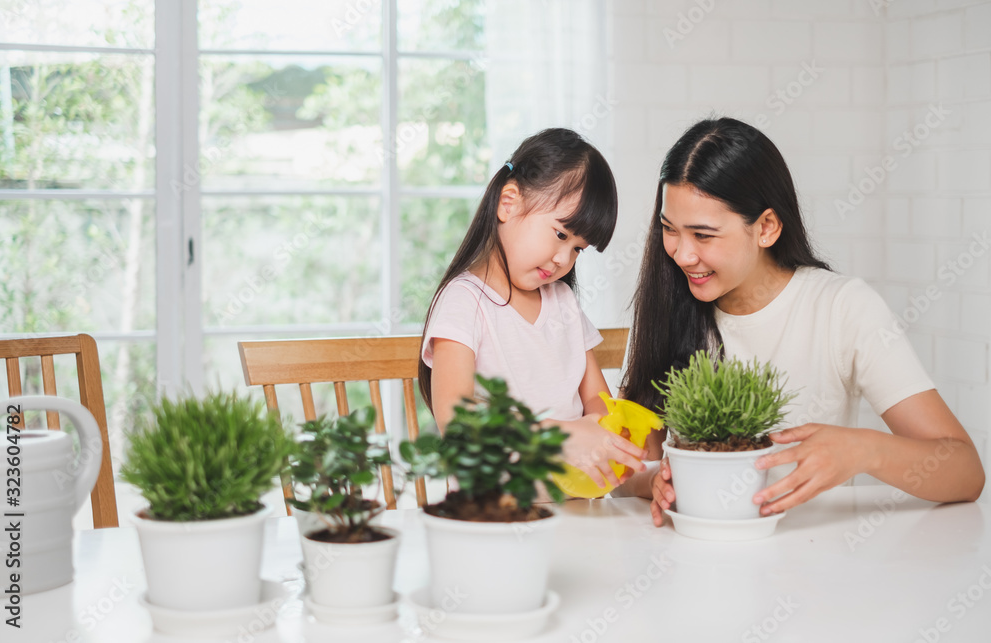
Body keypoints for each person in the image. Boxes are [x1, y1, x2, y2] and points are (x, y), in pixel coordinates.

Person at [615, 117, 985, 525]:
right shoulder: (665, 307)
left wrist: (864, 451)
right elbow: (627, 470)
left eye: (703, 236)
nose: (682, 255)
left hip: (812, 564)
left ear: (767, 228)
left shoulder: (843, 308)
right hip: (693, 555)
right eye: (669, 229)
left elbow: (966, 473)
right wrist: (653, 482)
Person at [419, 127, 647, 489]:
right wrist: (560, 437)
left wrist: (598, 429)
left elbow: (595, 397)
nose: (563, 258)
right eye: (560, 234)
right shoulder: (464, 302)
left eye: (578, 249)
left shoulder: (562, 302)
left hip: (571, 510)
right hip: (496, 514)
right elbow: (456, 423)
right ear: (508, 203)